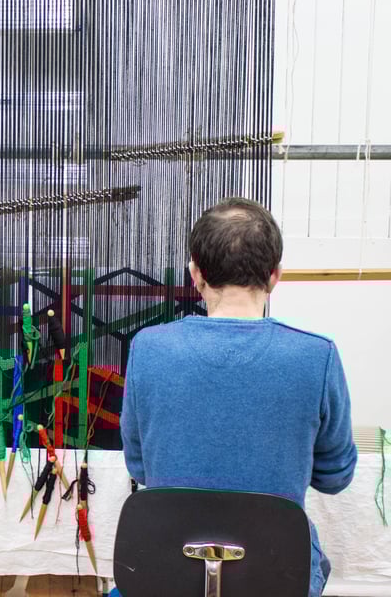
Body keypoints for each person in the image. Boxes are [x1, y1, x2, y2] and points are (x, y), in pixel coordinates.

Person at [120, 198, 357, 597]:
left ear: (195, 273)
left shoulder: (148, 348)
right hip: (277, 574)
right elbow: (336, 477)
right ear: (275, 274)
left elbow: (141, 467)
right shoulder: (318, 355)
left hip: (166, 572)